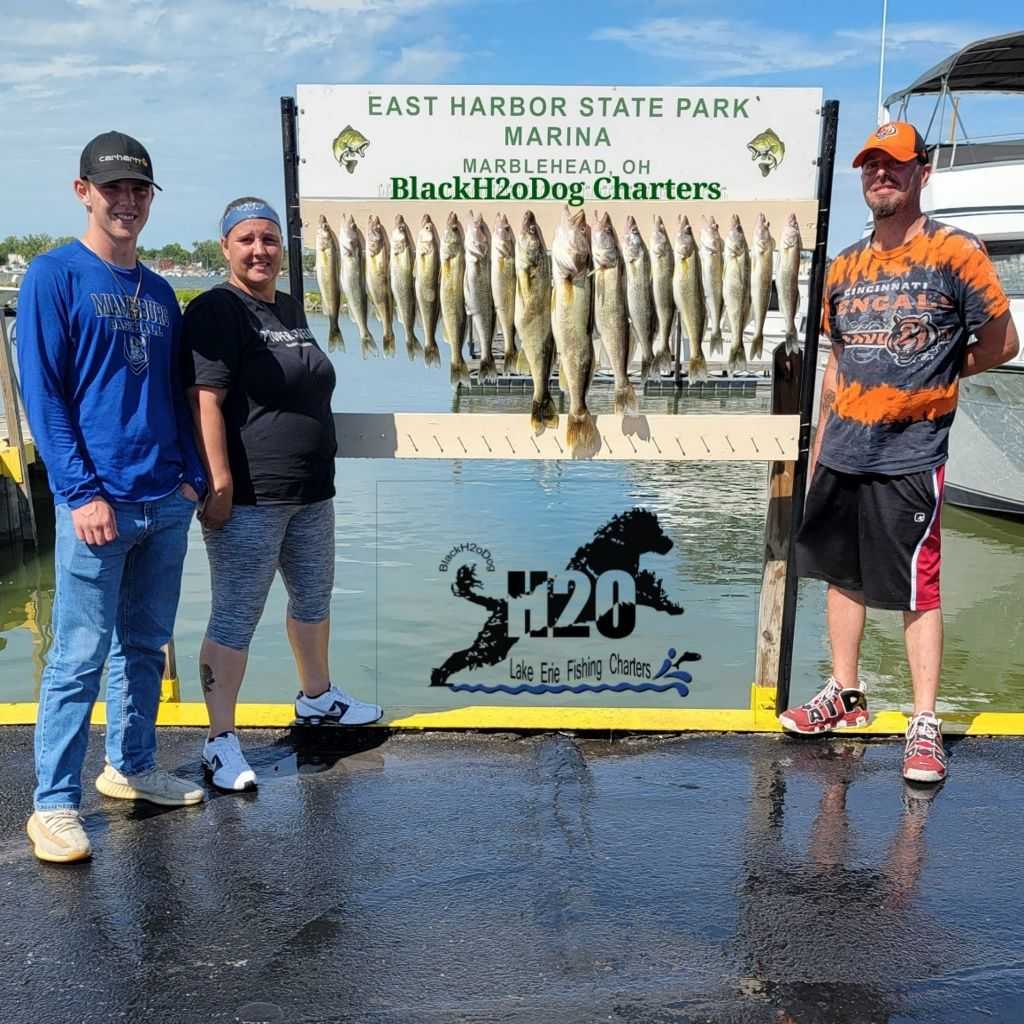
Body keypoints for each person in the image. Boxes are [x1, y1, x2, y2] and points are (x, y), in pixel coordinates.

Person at [779, 122, 1019, 784]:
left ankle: (922, 721)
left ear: (921, 174)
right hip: (844, 447)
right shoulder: (845, 267)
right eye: (871, 166)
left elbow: (1004, 344)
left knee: (919, 586)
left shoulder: (956, 252)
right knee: (840, 575)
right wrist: (821, 449)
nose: (880, 174)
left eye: (894, 165)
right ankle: (845, 696)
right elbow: (838, 363)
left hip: (911, 452)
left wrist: (942, 374)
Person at [18, 131, 209, 864]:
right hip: (97, 504)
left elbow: (173, 392)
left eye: (139, 190)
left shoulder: (160, 291)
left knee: (144, 646)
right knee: (76, 654)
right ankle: (54, 805)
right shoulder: (54, 276)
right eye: (112, 189)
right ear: (83, 193)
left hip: (164, 499)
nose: (126, 201)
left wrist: (191, 476)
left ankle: (130, 767)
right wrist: (80, 491)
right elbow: (46, 394)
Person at [183, 197, 382, 794]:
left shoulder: (288, 307)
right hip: (250, 495)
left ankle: (317, 698)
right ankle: (220, 741)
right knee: (236, 615)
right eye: (246, 240)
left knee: (313, 600)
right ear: (225, 247)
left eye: (269, 240)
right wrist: (218, 482)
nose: (260, 250)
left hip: (311, 491)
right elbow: (205, 401)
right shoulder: (215, 310)